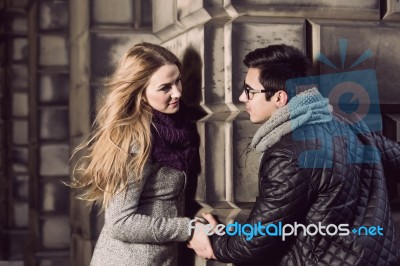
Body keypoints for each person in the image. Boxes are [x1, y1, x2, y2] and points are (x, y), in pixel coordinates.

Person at [197, 44, 400, 265]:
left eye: (249, 91)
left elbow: (256, 240)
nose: (242, 97)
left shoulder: (288, 154)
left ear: (279, 98)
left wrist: (215, 242)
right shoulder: (348, 121)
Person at [70, 42, 213, 265]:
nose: (177, 93)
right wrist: (189, 228)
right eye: (165, 87)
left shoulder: (176, 127)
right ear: (141, 94)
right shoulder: (137, 141)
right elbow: (120, 222)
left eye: (178, 81)